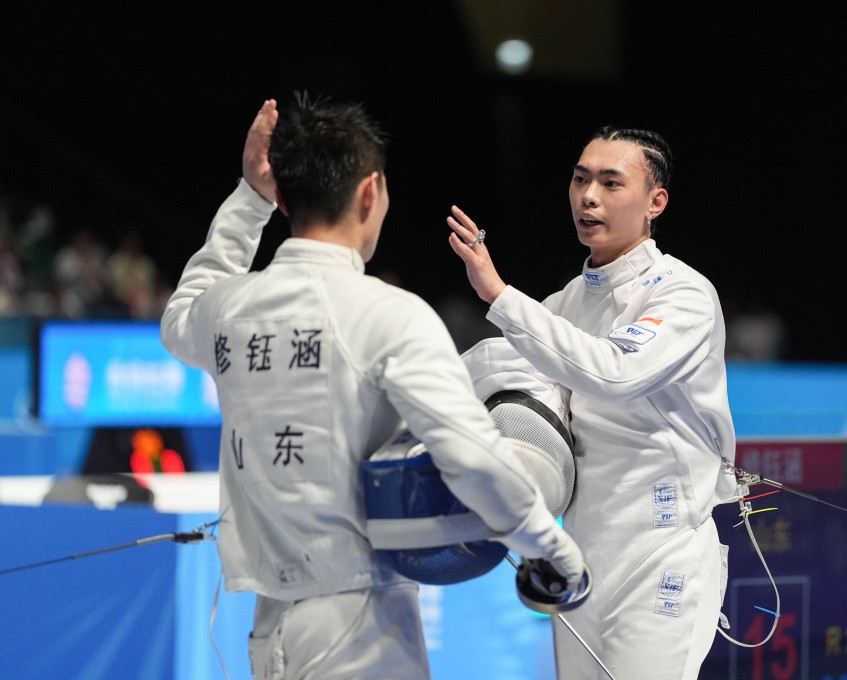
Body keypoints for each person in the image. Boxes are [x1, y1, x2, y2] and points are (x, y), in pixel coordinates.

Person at [161, 95, 584, 679]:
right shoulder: (391, 316)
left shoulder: (228, 308)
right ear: (370, 192)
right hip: (361, 629)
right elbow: (472, 459)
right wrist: (553, 549)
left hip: (267, 629)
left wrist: (248, 198)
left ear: (282, 195)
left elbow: (181, 311)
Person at [448, 126, 737, 679]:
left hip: (660, 552)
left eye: (610, 182)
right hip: (579, 554)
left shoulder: (683, 294)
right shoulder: (566, 302)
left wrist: (499, 294)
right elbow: (497, 364)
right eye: (581, 179)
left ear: (656, 202)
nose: (589, 196)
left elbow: (614, 370)